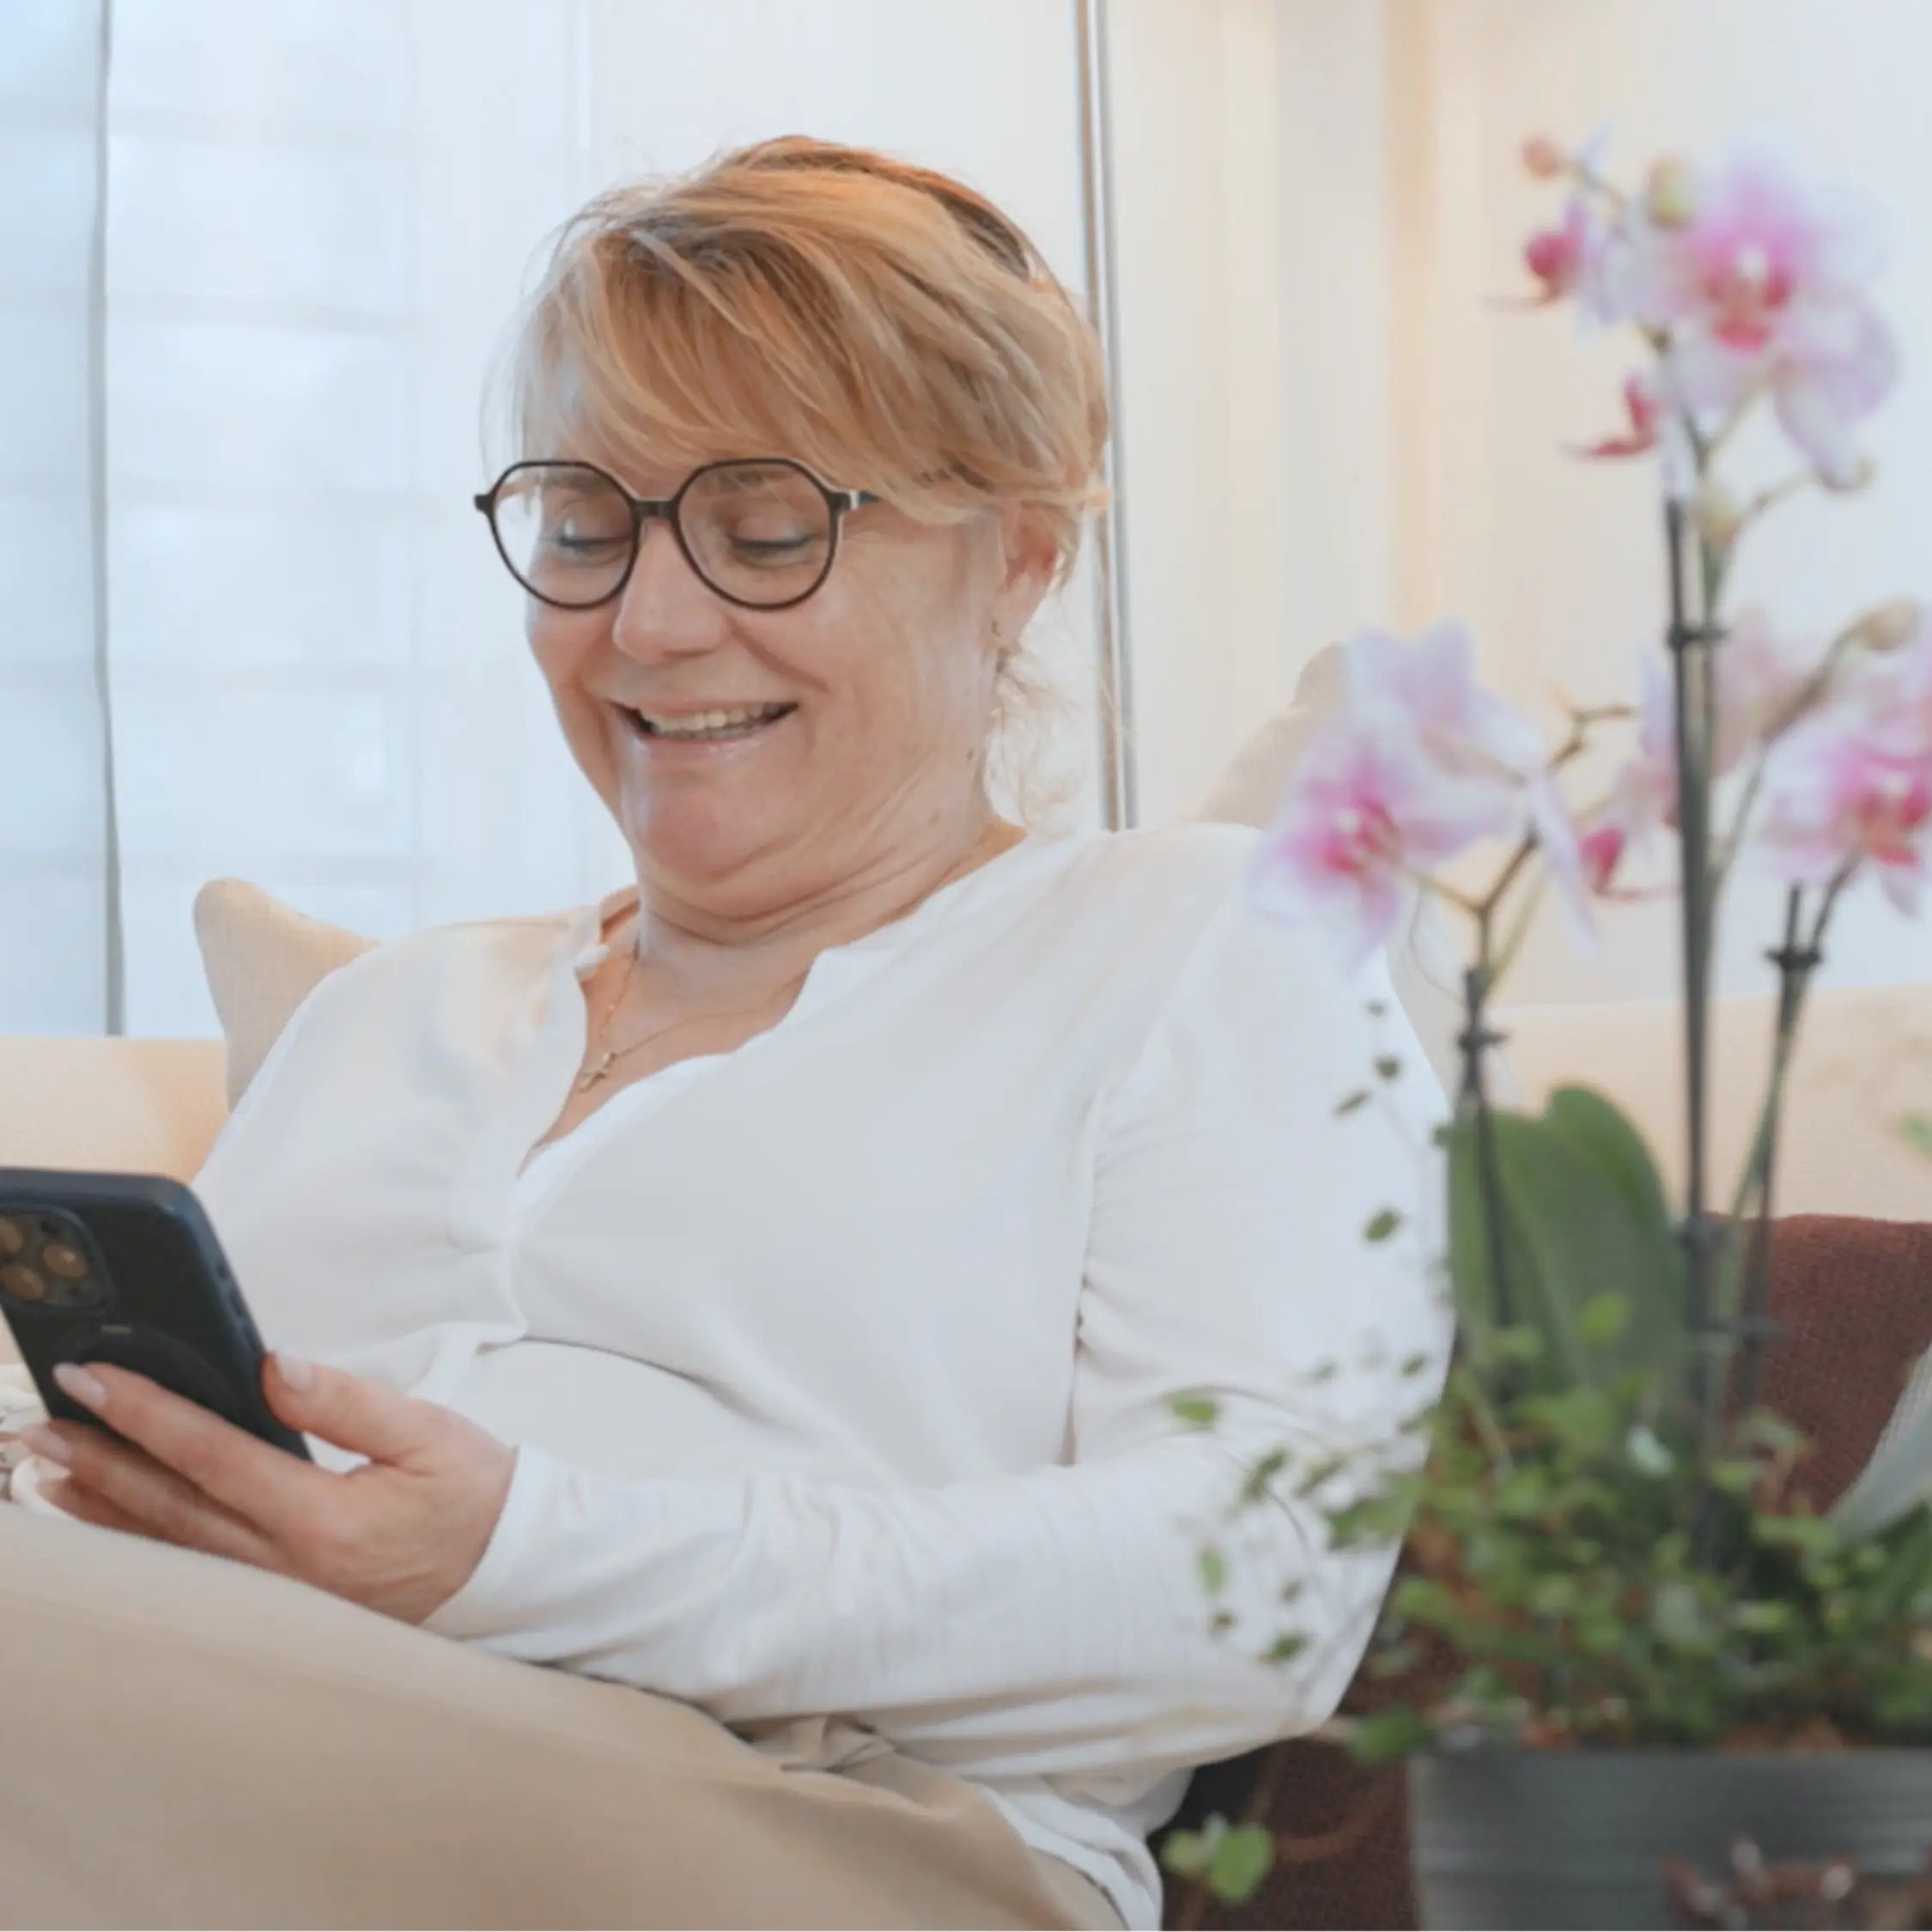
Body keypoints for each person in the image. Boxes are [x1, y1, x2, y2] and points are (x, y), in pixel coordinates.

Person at [0, 136, 1446, 1930]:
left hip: (844, 1818)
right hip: (198, 1717)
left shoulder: (1208, 939)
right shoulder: (396, 1013)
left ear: (1014, 561)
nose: (652, 624)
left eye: (768, 530)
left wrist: (516, 1552)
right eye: (587, 528)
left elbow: (1257, 1585)